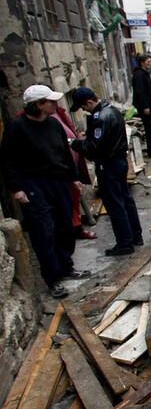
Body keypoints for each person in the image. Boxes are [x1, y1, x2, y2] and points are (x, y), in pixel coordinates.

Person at [0, 85, 91, 298]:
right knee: (44, 231)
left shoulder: (53, 124)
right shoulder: (17, 128)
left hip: (58, 182)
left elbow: (65, 154)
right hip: (34, 184)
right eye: (50, 101)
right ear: (38, 104)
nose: (55, 104)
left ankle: (66, 266)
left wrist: (74, 177)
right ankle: (52, 278)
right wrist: (17, 188)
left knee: (65, 227)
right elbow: (8, 161)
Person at [70, 88, 143, 257]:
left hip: (108, 164)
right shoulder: (112, 111)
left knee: (114, 204)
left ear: (89, 102)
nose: (84, 111)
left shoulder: (100, 117)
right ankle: (135, 236)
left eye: (83, 107)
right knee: (125, 199)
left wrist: (76, 144)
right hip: (119, 160)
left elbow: (94, 148)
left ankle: (125, 243)